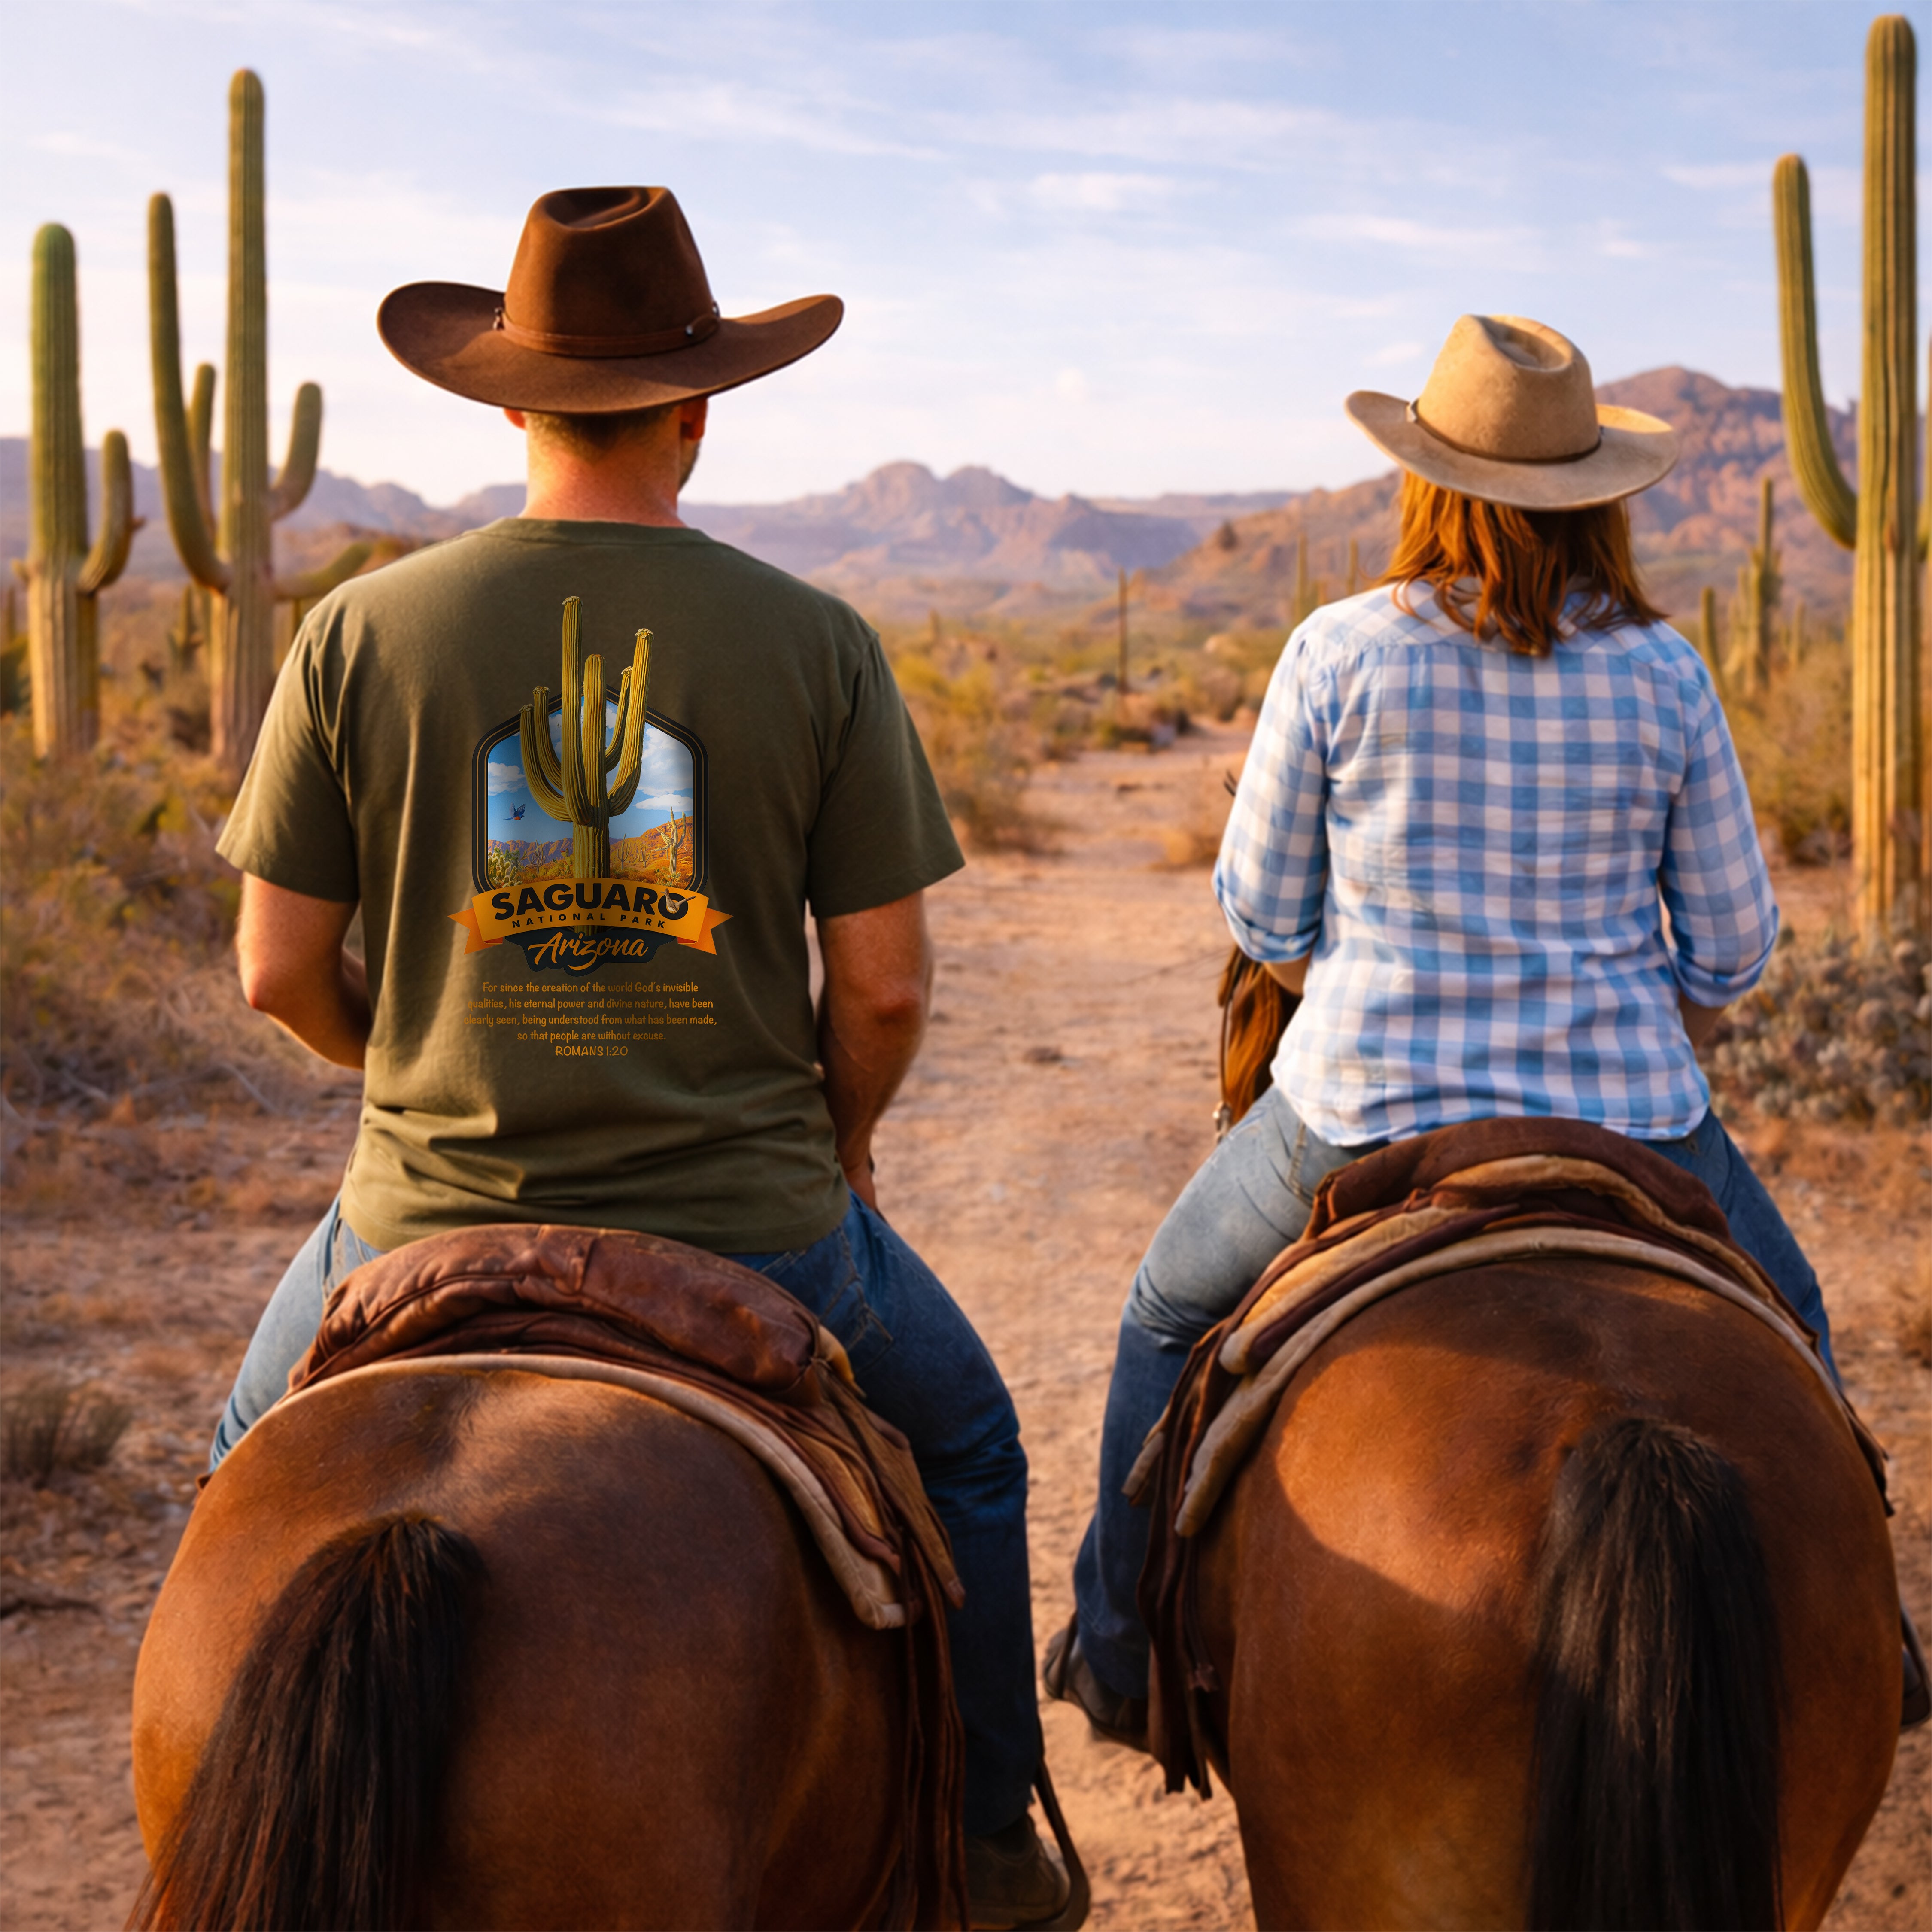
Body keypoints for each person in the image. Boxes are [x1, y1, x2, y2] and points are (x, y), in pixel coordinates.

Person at [210, 186, 1068, 1924]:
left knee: (243, 1469)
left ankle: (213, 1816)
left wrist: (407, 1068)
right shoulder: (817, 641)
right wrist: (840, 1141)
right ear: (700, 408)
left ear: (510, 407)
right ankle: (985, 1842)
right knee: (968, 1447)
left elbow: (274, 967)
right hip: (753, 1215)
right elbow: (888, 991)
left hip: (417, 1214)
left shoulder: (356, 635)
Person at [1046, 312, 1850, 1746]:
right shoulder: (1666, 673)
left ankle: (1115, 1651)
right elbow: (1731, 948)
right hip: (1632, 1114)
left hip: (1362, 1110)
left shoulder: (1337, 651)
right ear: (1593, 496)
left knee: (1166, 1313)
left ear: (1423, 481)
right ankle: (1880, 1643)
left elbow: (1265, 919)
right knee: (1799, 1319)